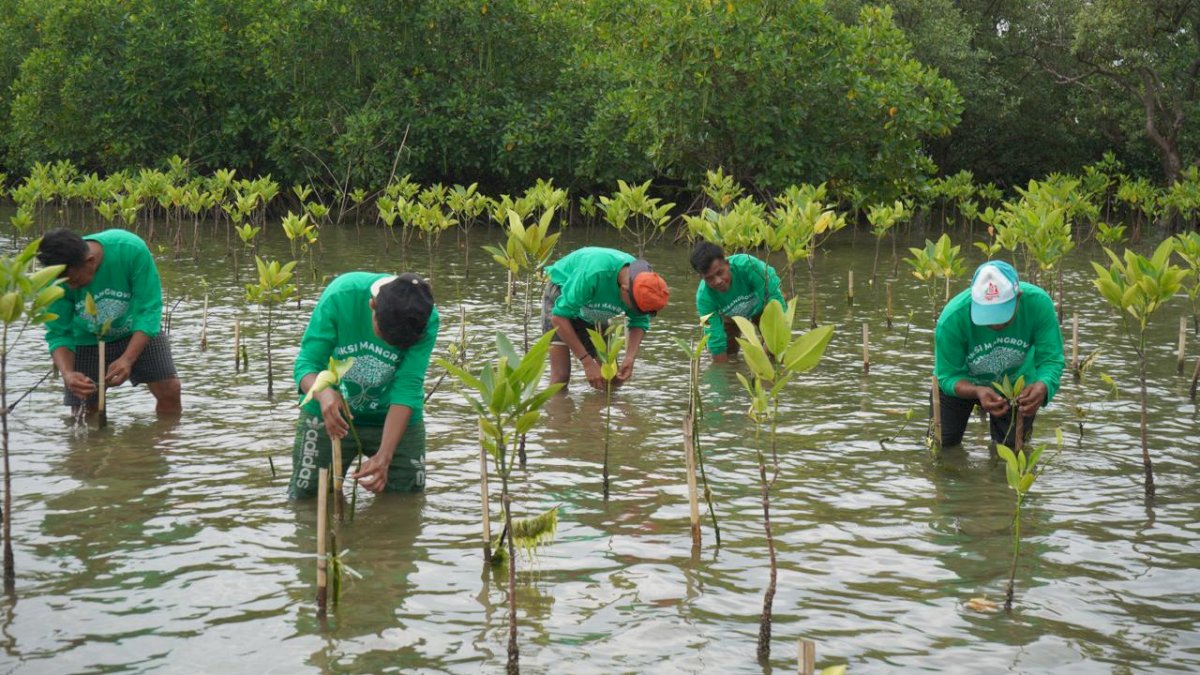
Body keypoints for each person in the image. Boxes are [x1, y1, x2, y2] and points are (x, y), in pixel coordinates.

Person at [289, 272, 439, 498]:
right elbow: (306, 364)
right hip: (330, 413)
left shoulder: (425, 318)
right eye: (386, 336)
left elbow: (408, 385)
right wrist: (323, 393)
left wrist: (385, 456)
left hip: (395, 414)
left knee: (407, 500)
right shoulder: (341, 296)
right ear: (372, 305)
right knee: (307, 499)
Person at [37, 227, 181, 415]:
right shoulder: (52, 280)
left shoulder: (130, 249)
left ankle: (166, 442)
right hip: (86, 338)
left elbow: (149, 310)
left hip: (135, 331)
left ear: (90, 261)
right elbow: (58, 332)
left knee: (170, 389)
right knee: (85, 411)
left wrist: (128, 359)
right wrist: (68, 374)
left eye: (74, 280)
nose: (70, 287)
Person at [933, 260, 1064, 448]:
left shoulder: (1038, 304)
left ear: (1018, 297)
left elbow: (1051, 359)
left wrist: (1043, 386)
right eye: (987, 316)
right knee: (943, 446)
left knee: (1012, 452)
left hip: (1014, 385)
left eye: (1002, 316)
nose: (995, 325)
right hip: (962, 383)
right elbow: (947, 376)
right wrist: (977, 391)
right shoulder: (952, 318)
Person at [542, 246, 669, 389]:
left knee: (611, 378)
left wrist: (630, 357)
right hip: (562, 294)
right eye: (634, 308)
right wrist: (587, 361)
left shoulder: (644, 284)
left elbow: (639, 321)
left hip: (594, 308)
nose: (632, 311)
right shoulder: (594, 274)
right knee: (561, 377)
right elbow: (558, 317)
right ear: (624, 290)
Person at [690, 241, 785, 363]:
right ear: (702, 278)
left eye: (720, 273)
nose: (718, 281)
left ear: (727, 264)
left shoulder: (749, 266)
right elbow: (715, 339)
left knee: (774, 349)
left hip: (763, 305)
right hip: (730, 317)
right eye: (709, 279)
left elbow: (776, 299)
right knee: (728, 354)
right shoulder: (703, 298)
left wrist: (765, 356)